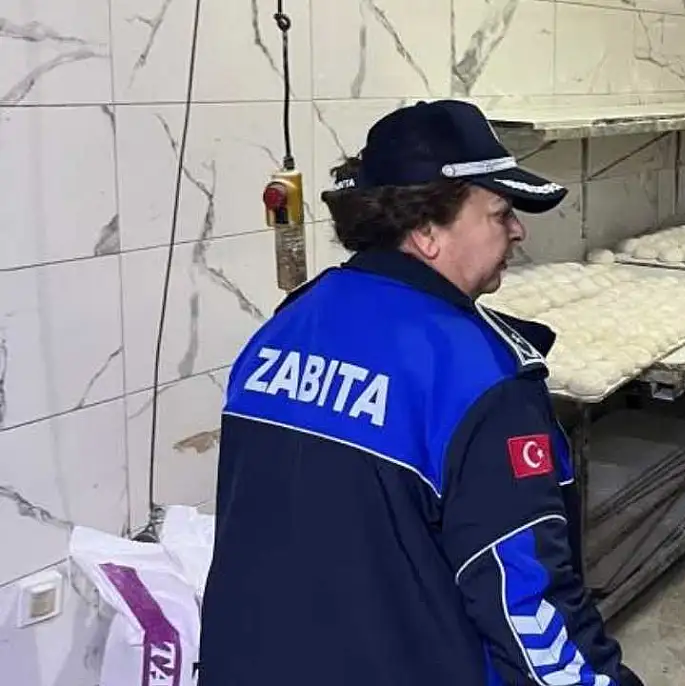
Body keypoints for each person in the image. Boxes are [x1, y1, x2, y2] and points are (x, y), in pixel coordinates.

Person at [199, 99, 643, 685]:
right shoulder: (481, 379)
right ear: (428, 230)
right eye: (500, 212)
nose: (518, 230)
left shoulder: (283, 330)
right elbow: (527, 605)